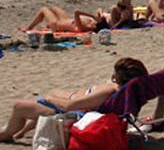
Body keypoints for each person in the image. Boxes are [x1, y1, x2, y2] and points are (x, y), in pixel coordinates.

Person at [0, 58, 148, 142]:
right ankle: (21, 130)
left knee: (20, 106)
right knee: (48, 99)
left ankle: (6, 135)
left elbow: (69, 106)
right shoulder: (130, 94)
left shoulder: (110, 90)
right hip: (81, 114)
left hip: (74, 117)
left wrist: (51, 98)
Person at [20, 2, 122, 33]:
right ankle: (46, 24)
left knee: (44, 9)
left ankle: (29, 28)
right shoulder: (92, 23)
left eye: (94, 23)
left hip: (57, 26)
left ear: (95, 27)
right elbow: (99, 8)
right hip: (65, 20)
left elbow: (76, 12)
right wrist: (99, 15)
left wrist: (92, 16)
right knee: (54, 7)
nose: (93, 22)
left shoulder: (83, 28)